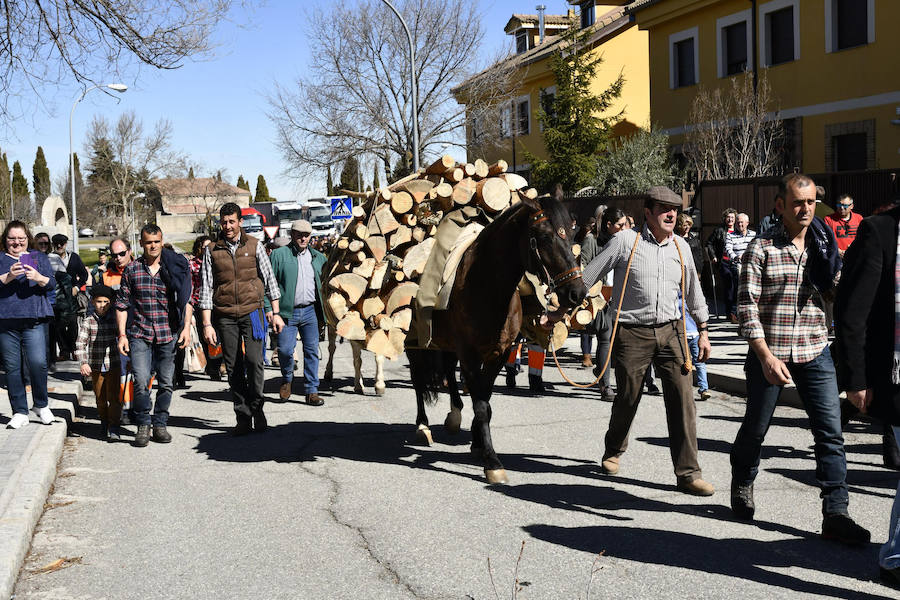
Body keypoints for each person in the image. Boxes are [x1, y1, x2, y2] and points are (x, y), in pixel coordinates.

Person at [730, 173, 869, 545]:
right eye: (797, 202)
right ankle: (743, 480)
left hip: (814, 351)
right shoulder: (760, 249)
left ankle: (836, 512)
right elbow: (746, 308)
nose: (805, 209)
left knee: (830, 433)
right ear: (780, 206)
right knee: (755, 430)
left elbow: (837, 293)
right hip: (769, 355)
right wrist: (764, 356)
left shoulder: (824, 245)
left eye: (810, 202)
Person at [584, 186, 714, 496]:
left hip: (673, 330)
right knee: (628, 396)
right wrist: (565, 305)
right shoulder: (626, 241)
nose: (671, 214)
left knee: (683, 402)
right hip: (632, 330)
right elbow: (591, 274)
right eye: (664, 209)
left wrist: (705, 330)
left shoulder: (681, 247)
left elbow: (694, 291)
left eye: (675, 209)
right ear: (647, 212)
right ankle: (613, 448)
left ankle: (688, 473)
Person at [832, 200, 900, 586]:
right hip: (894, 372)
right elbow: (851, 311)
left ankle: (895, 555)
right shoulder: (879, 231)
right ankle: (894, 558)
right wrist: (855, 378)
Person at [200, 203, 284, 435]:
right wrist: (207, 324)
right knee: (234, 366)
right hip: (225, 316)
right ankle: (243, 416)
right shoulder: (212, 251)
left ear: (240, 222)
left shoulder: (254, 245)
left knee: (256, 361)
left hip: (253, 313)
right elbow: (206, 288)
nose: (227, 226)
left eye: (232, 222)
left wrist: (275, 313)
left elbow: (270, 280)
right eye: (224, 222)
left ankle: (258, 408)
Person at [116, 224, 193, 447]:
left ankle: (160, 423)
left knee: (167, 383)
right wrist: (122, 335)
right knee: (141, 381)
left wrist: (186, 327)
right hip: (140, 334)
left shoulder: (173, 268)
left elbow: (187, 299)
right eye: (148, 242)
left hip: (168, 333)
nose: (153, 246)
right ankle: (143, 423)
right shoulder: (132, 270)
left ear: (162, 241)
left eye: (156, 241)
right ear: (141, 244)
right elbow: (121, 304)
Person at [0, 221, 56, 429]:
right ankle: (19, 411)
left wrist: (38, 277)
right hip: (6, 321)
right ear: (5, 240)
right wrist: (8, 276)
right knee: (13, 368)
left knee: (37, 362)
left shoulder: (38, 257)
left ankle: (41, 405)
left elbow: (52, 283)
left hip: (34, 318)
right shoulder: (1, 259)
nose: (16, 242)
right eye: (12, 239)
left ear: (27, 239)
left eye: (21, 239)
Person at [268, 219, 327, 405]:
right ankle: (287, 378)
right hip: (287, 313)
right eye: (299, 234)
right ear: (292, 235)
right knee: (285, 350)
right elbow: (268, 284)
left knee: (311, 351)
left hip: (311, 311)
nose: (303, 238)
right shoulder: (279, 255)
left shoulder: (318, 257)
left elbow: (326, 285)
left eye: (306, 235)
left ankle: (312, 390)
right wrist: (270, 310)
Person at [75, 284, 122, 441]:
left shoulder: (115, 320)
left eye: (106, 301)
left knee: (114, 397)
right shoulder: (88, 321)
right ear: (93, 302)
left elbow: (123, 338)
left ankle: (114, 426)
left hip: (114, 364)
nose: (102, 305)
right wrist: (83, 362)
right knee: (100, 398)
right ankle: (104, 422)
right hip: (95, 366)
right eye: (99, 301)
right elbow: (80, 343)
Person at [593, 208, 628, 401]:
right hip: (603, 297)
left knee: (621, 343)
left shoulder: (626, 242)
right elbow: (588, 266)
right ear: (609, 225)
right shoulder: (595, 242)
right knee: (605, 340)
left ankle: (603, 371)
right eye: (619, 225)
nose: (623, 229)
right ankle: (605, 385)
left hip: (623, 297)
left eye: (625, 225)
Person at [49, 233, 87, 361]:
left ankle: (74, 349)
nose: (59, 246)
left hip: (71, 296)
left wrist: (76, 287)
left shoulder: (74, 257)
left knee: (72, 323)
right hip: (57, 296)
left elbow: (84, 275)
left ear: (66, 244)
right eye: (56, 243)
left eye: (62, 243)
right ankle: (64, 351)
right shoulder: (50, 258)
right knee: (58, 324)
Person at [706, 208, 737, 321]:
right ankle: (730, 313)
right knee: (729, 284)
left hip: (736, 262)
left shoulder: (738, 231)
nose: (730, 219)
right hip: (723, 262)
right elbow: (709, 243)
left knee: (737, 286)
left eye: (732, 217)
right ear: (724, 218)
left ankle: (734, 312)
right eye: (728, 217)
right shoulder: (719, 230)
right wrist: (713, 256)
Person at [575, 218, 598, 368]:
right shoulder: (590, 239)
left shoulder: (608, 239)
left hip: (606, 285)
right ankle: (586, 355)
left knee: (602, 325)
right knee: (586, 321)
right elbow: (583, 261)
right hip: (591, 286)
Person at [824, 193, 863, 258]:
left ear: (852, 206)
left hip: (855, 256)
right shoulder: (829, 219)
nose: (841, 208)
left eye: (845, 206)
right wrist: (837, 250)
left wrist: (855, 248)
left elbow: (863, 238)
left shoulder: (859, 218)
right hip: (837, 257)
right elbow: (826, 239)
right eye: (839, 205)